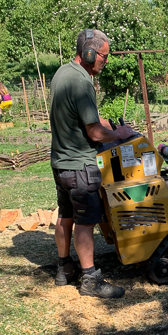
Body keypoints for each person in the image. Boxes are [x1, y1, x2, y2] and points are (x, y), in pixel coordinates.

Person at [50, 28, 138, 298]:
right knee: (85, 222)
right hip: (80, 165)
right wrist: (119, 134)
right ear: (88, 53)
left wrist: (106, 124)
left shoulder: (62, 73)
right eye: (103, 55)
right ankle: (90, 280)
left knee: (65, 216)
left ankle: (65, 269)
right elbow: (94, 133)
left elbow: (84, 118)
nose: (105, 61)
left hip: (60, 161)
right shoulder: (83, 83)